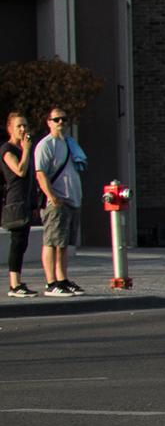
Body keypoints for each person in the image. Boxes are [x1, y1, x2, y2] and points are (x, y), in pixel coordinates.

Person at [33, 107, 83, 294]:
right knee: (52, 242)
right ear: (49, 122)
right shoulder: (46, 145)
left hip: (72, 201)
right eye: (57, 119)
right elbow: (40, 174)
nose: (61, 122)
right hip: (57, 202)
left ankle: (62, 278)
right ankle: (51, 282)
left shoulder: (69, 144)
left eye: (64, 119)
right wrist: (53, 197)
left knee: (63, 245)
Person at [2, 111, 35, 296]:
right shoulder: (7, 149)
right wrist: (27, 150)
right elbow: (20, 171)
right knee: (17, 242)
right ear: (10, 129)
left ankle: (19, 282)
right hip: (15, 200)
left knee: (23, 243)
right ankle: (14, 285)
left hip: (25, 201)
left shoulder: (23, 150)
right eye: (18, 126)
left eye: (24, 125)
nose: (23, 129)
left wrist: (33, 205)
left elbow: (29, 179)